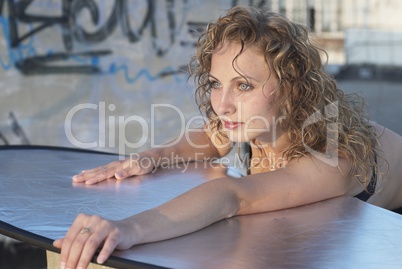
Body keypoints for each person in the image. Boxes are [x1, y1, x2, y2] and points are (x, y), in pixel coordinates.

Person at [53, 5, 402, 269]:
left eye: (244, 86)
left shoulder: (335, 155)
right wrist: (150, 158)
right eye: (217, 84)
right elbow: (208, 140)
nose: (222, 105)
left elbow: (234, 196)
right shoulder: (259, 122)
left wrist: (126, 229)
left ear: (292, 88)